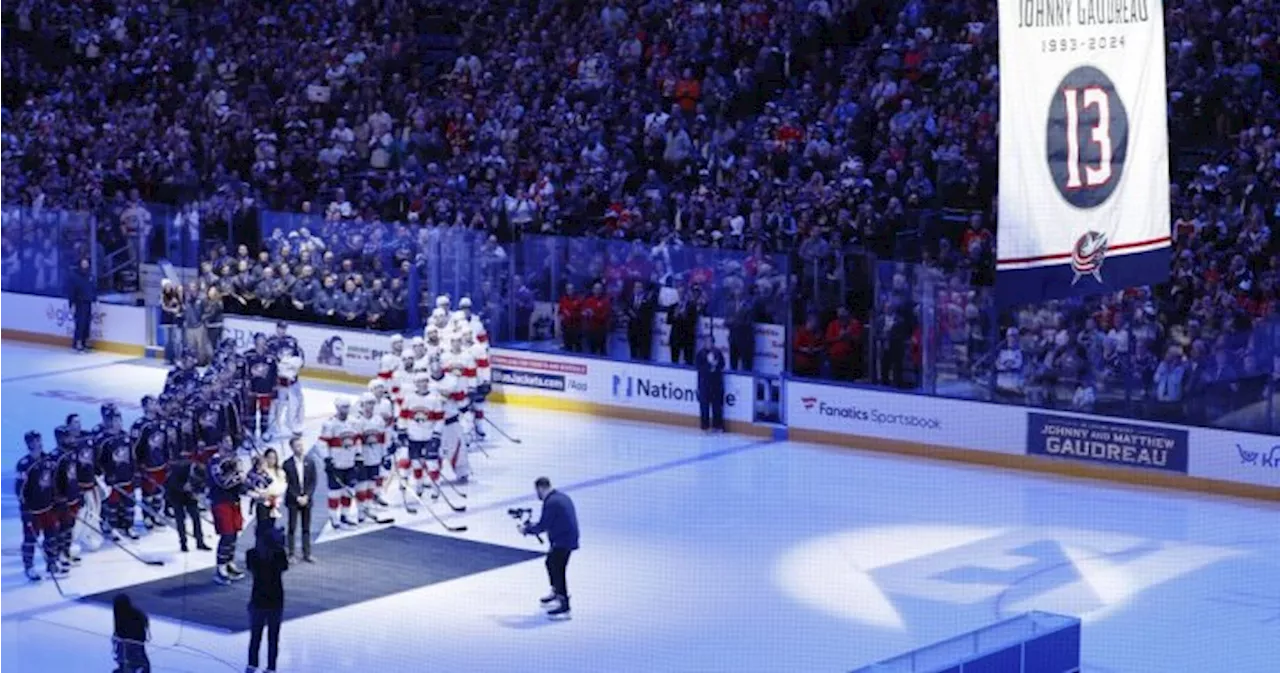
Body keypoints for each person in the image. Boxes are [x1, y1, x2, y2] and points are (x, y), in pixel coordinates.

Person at [521, 477, 579, 619]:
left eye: (537, 491)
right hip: (567, 537)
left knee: (557, 567)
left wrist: (526, 529)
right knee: (551, 563)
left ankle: (564, 604)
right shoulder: (560, 497)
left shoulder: (551, 502)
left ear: (541, 488)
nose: (537, 494)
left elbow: (543, 525)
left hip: (563, 540)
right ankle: (556, 591)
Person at [246, 526, 289, 673]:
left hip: (257, 599)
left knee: (255, 636)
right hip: (276, 601)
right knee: (273, 637)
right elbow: (284, 567)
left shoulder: (251, 554)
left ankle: (252, 664)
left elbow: (251, 568)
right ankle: (271, 667)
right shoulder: (279, 554)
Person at [283, 437, 318, 562]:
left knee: (306, 528)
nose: (300, 448)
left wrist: (307, 496)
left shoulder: (310, 461)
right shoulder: (287, 464)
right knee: (292, 527)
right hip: (293, 500)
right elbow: (287, 483)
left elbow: (313, 482)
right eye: (297, 446)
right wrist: (297, 497)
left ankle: (307, 553)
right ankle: (291, 553)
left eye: (301, 445)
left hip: (307, 500)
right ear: (292, 448)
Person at [165, 459, 210, 553]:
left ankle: (200, 542)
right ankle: (183, 543)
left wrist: (196, 492)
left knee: (196, 517)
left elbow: (202, 484)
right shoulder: (180, 468)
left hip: (190, 495)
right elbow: (171, 483)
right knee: (180, 519)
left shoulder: (202, 472)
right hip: (175, 495)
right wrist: (183, 487)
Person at [251, 449, 287, 540]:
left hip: (274, 502)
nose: (271, 460)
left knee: (271, 526)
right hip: (262, 502)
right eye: (269, 458)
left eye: (274, 458)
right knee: (262, 527)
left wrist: (275, 495)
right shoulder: (261, 471)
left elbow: (283, 485)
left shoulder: (279, 472)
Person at [112, 593, 151, 673]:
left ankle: (134, 667)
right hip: (128, 639)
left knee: (135, 656)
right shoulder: (120, 612)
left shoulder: (136, 615)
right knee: (129, 656)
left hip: (134, 640)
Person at [696, 335, 727, 432]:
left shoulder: (717, 353)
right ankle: (704, 426)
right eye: (707, 342)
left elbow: (722, 364)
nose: (709, 344)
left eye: (711, 342)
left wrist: (715, 366)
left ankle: (717, 426)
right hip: (704, 383)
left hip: (716, 383)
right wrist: (709, 367)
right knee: (704, 406)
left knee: (716, 406)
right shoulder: (700, 354)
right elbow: (699, 367)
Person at [67, 257, 96, 352]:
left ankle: (85, 341)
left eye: (86, 263)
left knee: (87, 322)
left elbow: (92, 288)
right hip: (79, 303)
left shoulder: (90, 275)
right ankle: (77, 342)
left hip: (88, 302)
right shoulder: (75, 276)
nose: (85, 265)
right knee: (80, 323)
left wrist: (94, 299)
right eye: (83, 263)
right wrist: (71, 304)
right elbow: (71, 291)